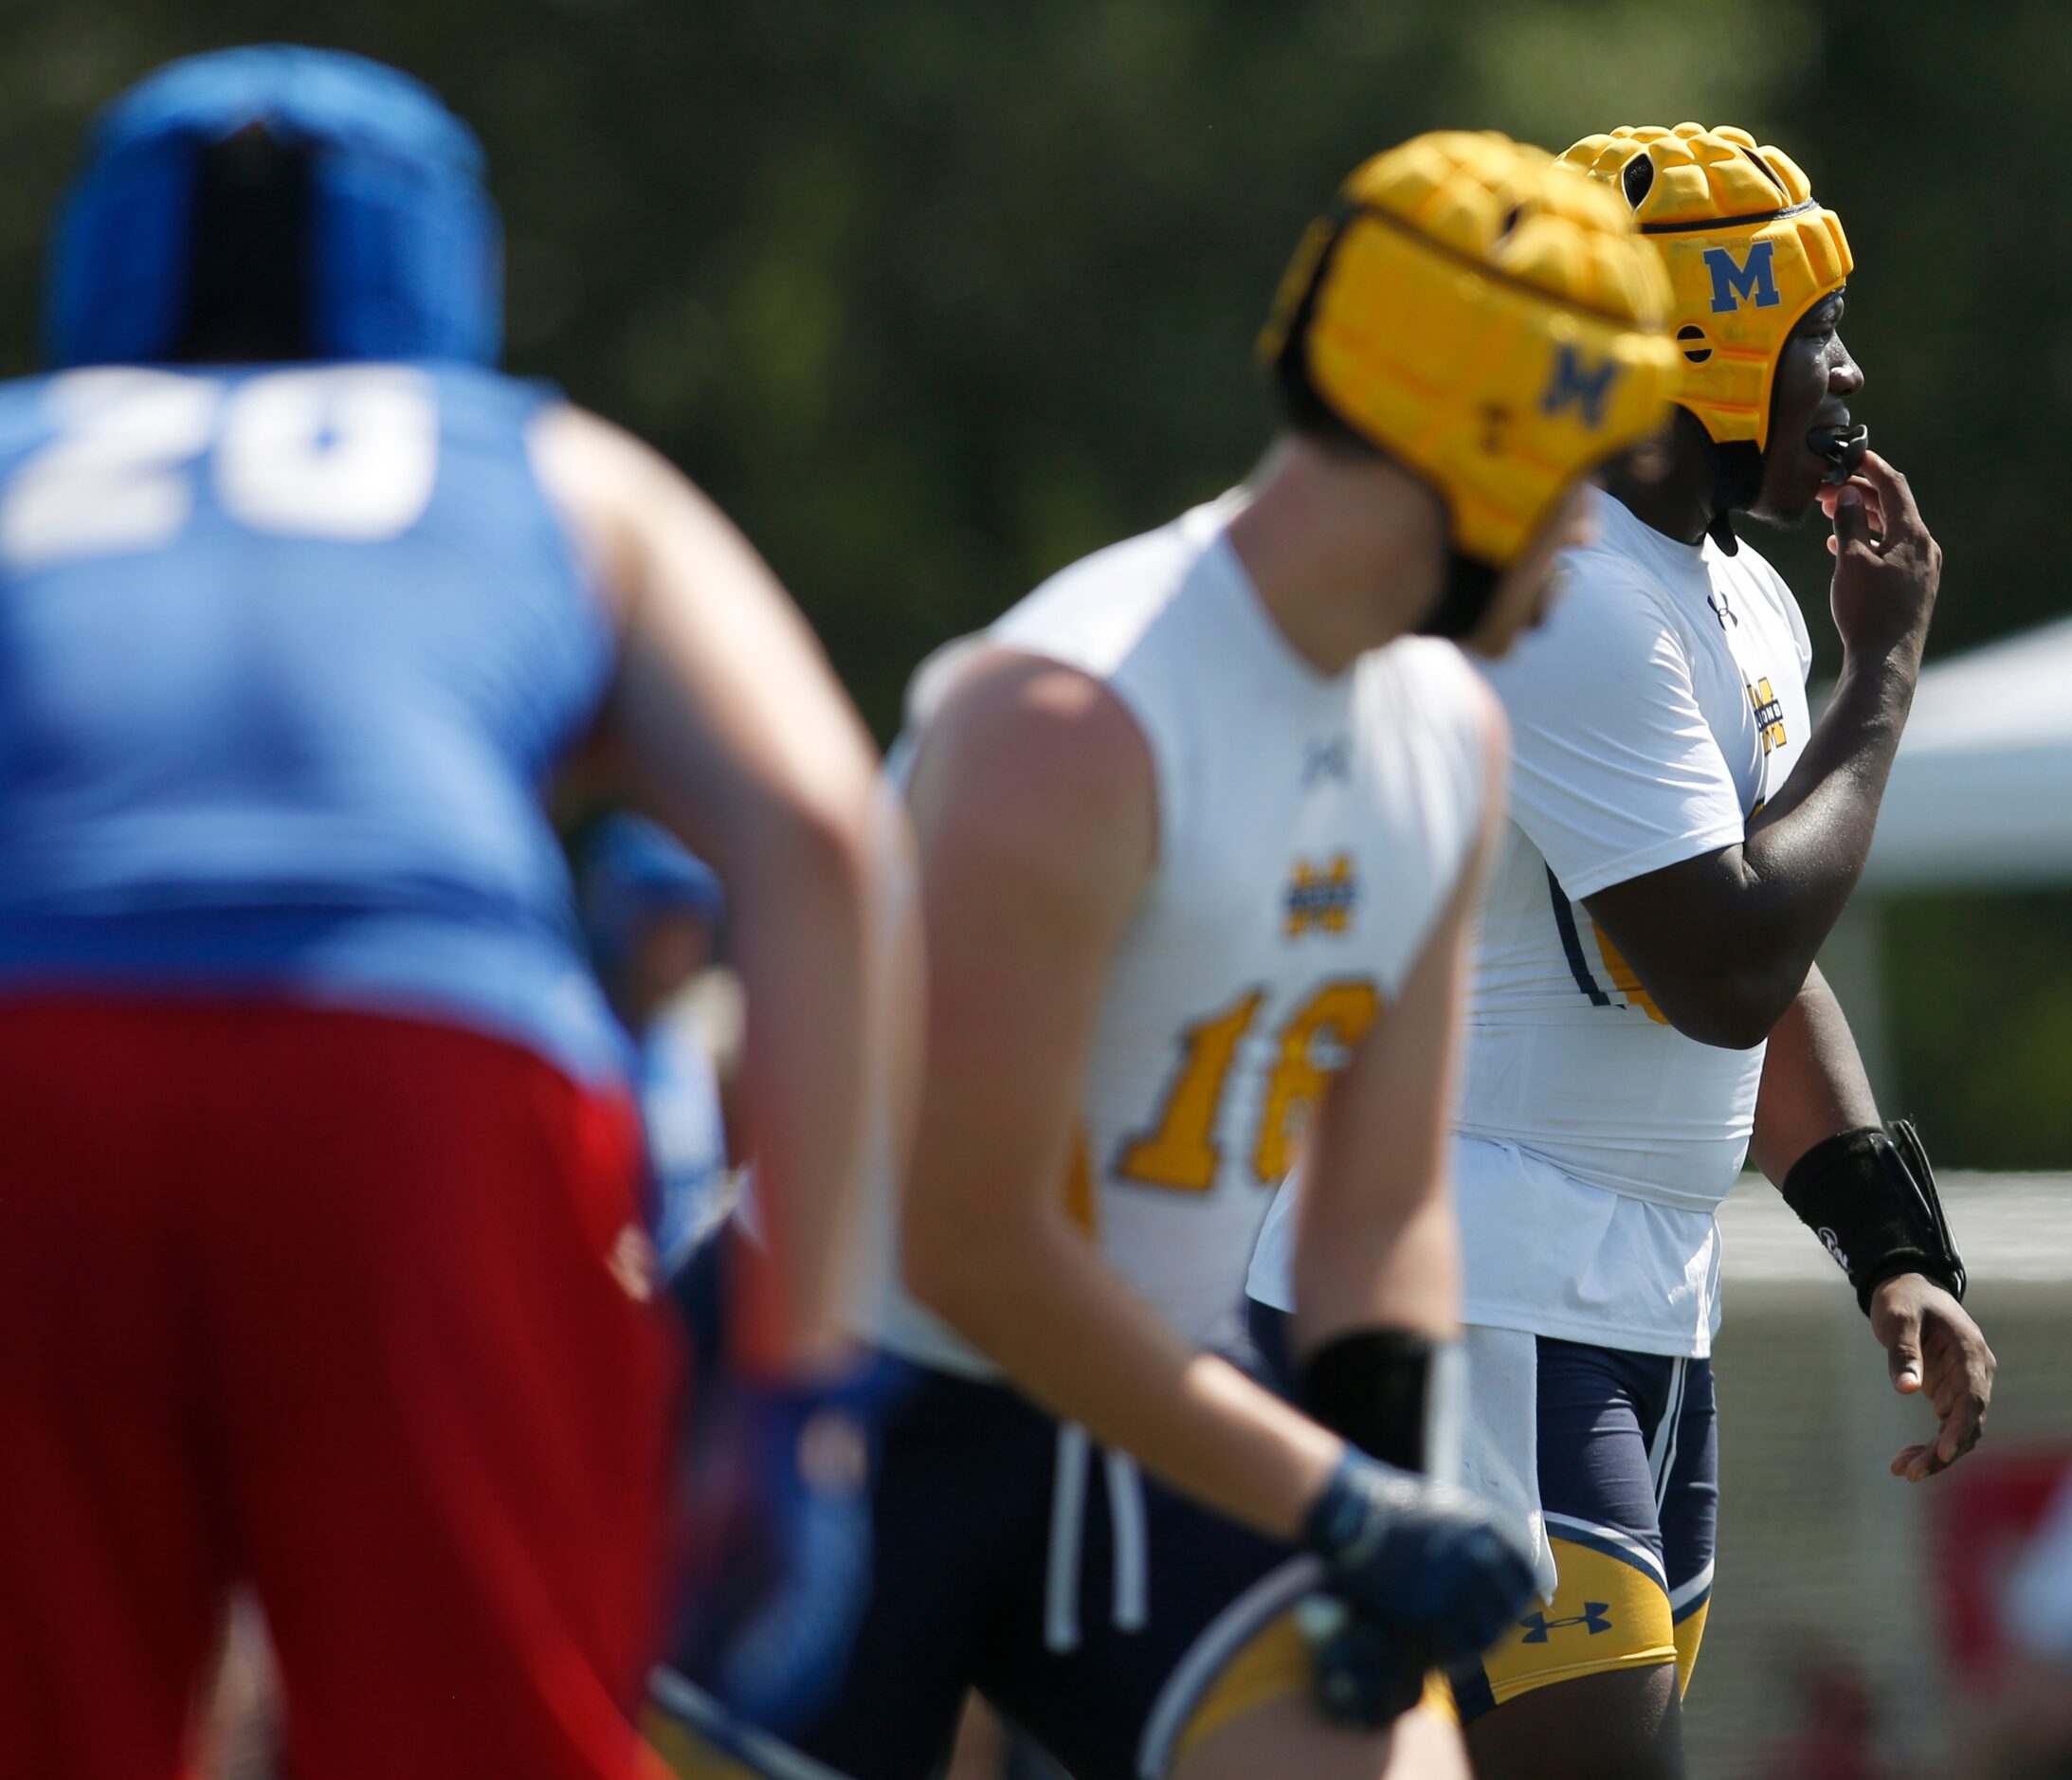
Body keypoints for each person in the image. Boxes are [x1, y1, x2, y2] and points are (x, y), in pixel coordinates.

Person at [649, 131, 1680, 1780]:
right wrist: (1341, 1500)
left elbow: (1379, 1204)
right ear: (1481, 441)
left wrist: (1396, 1474)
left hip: (1162, 1414)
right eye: (1579, 475)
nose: (1585, 537)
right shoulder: (1070, 720)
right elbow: (972, 1237)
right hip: (841, 1411)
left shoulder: (1448, 736)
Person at [0, 46, 915, 1780]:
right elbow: (819, 830)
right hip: (424, 1069)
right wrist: (808, 1382)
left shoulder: (15, 443)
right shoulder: (553, 463)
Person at [1251, 122, 1993, 1780]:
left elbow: (1758, 951)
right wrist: (1885, 682)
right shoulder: (1574, 583)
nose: (1848, 368)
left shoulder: (1736, 591)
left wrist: (1888, 1236)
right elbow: (1717, 958)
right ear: (1713, 340)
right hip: (1478, 1274)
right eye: (1816, 327)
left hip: (1629, 1286)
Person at [577, 812, 735, 1263]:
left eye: (691, 921)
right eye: (662, 921)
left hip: (680, 1302)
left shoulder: (687, 1040)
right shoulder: (574, 1032)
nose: (679, 944)